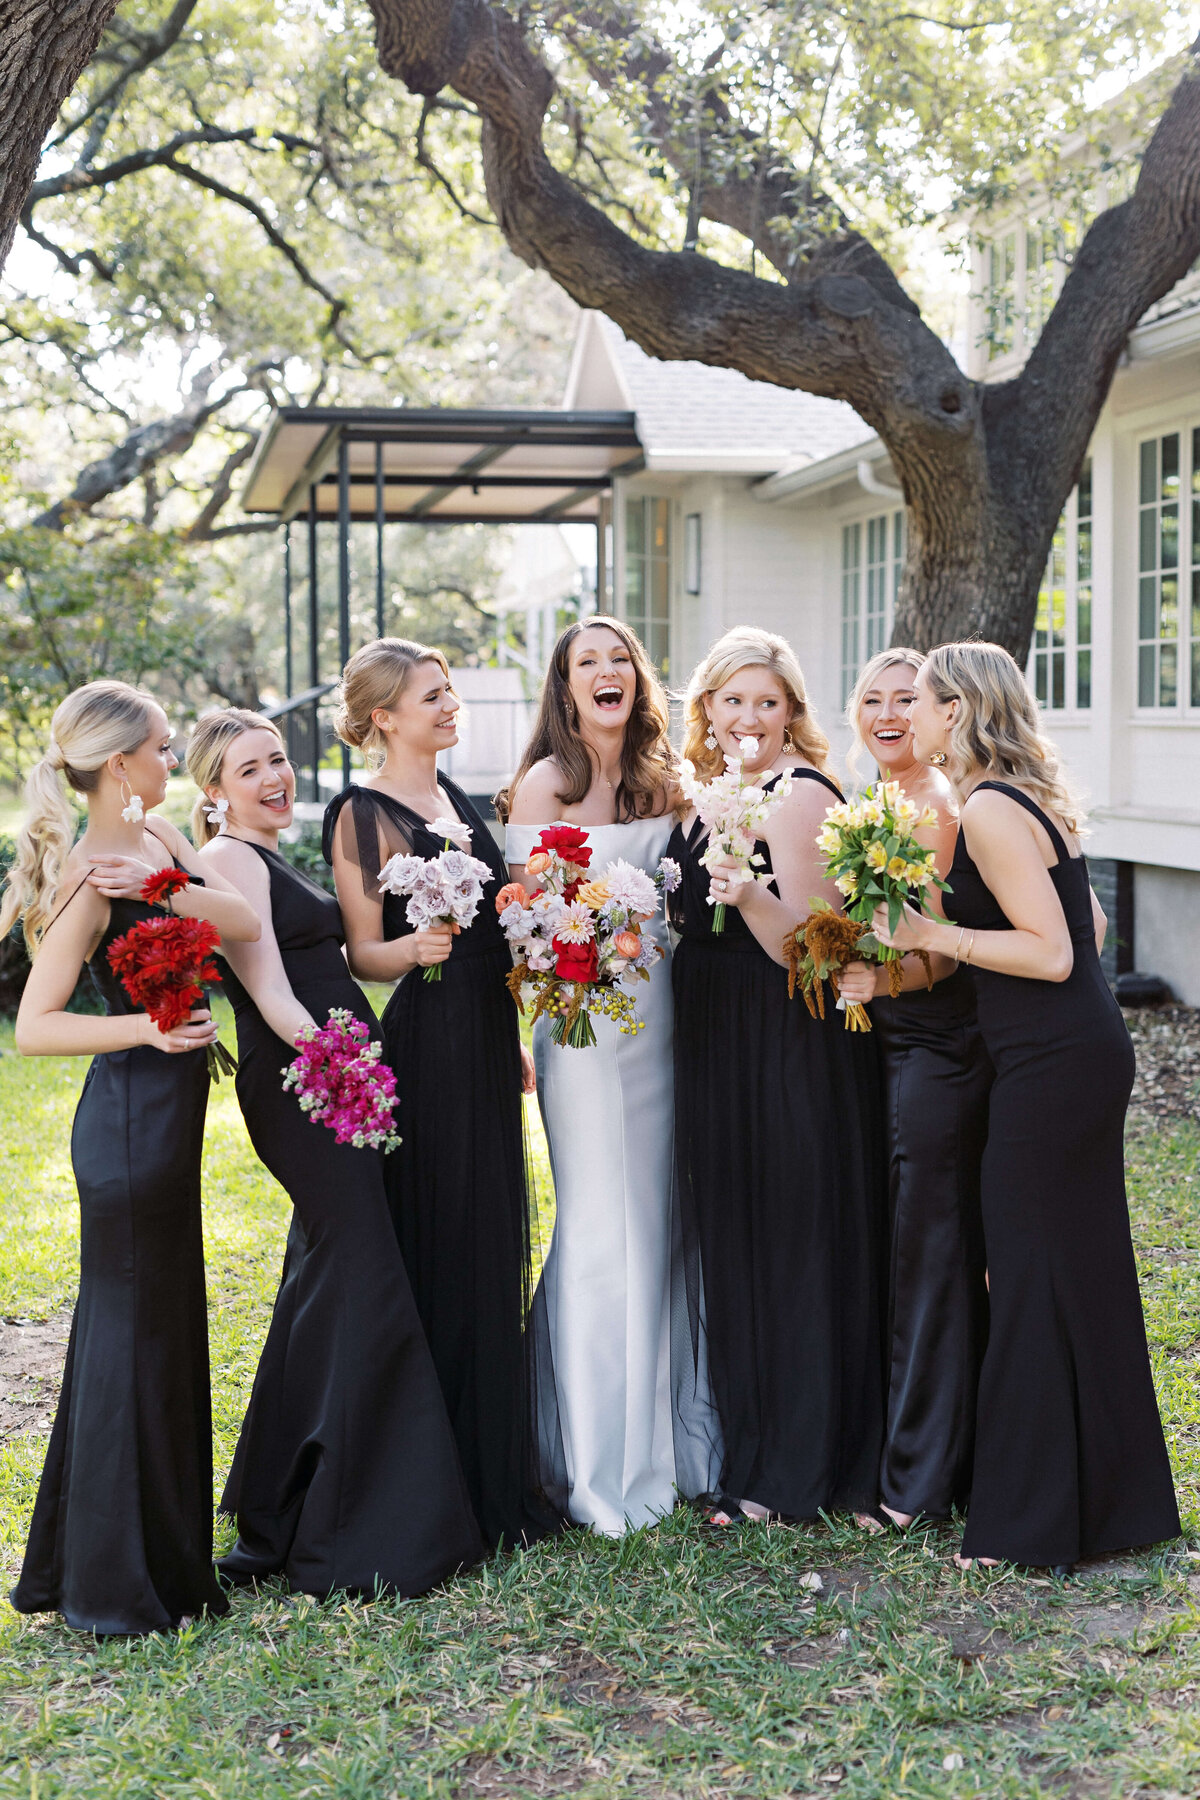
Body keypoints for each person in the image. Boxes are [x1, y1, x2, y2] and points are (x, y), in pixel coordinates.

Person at [874, 642, 1180, 1572]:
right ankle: (1121, 1504)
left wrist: (933, 934)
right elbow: (1084, 927)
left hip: (1054, 1064)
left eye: (922, 701)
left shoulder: (991, 812)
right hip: (1071, 1053)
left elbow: (1052, 954)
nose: (911, 719)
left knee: (1031, 1269)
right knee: (1075, 1267)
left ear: (958, 712)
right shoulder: (1022, 799)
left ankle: (1029, 1525)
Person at [188, 708, 482, 1599]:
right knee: (362, 1273)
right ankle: (369, 1521)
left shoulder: (268, 856)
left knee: (324, 1276)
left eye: (278, 759)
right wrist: (347, 1076)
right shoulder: (228, 861)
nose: (275, 777)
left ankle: (276, 1511)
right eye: (251, 770)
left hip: (340, 1071)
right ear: (213, 792)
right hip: (308, 1085)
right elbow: (270, 995)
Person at [4, 680, 260, 1636]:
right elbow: (34, 1028)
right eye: (158, 746)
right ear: (119, 764)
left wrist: (160, 882)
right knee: (125, 1339)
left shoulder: (153, 845)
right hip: (125, 1128)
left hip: (171, 1124)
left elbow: (241, 918)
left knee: (161, 1330)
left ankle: (158, 1562)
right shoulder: (80, 878)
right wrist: (143, 1035)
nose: (168, 759)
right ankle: (110, 1586)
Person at [322, 639, 563, 1550]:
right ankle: (428, 1472)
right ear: (385, 716)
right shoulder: (360, 814)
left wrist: (511, 1036)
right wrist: (411, 950)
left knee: (493, 1231)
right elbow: (358, 952)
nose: (450, 705)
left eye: (450, 691)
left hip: (483, 1039)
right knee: (444, 1230)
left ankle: (491, 1464)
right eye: (433, 695)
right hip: (423, 1043)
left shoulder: (462, 800)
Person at [500, 616, 720, 1535]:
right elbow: (523, 923)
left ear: (638, 678)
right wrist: (586, 939)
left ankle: (671, 1445)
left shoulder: (669, 782)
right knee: (601, 1222)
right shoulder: (547, 783)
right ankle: (592, 1464)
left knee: (664, 1221)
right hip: (583, 1030)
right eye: (586, 661)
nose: (606, 671)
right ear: (564, 685)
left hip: (667, 1021)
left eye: (619, 658)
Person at [667, 627, 888, 1527]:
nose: (750, 717)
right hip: (717, 1042)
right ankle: (751, 1450)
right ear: (708, 711)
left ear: (792, 708)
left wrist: (747, 890)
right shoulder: (713, 797)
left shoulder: (798, 796)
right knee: (739, 1238)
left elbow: (815, 955)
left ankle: (797, 1469)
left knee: (794, 1240)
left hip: (787, 1043)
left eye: (768, 700)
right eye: (733, 701)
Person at [838, 649, 992, 1528]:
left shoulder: (938, 806)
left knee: (930, 1259)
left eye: (907, 699)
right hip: (884, 1047)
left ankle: (919, 1483)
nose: (888, 713)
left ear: (940, 711)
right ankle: (926, 1454)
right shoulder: (869, 804)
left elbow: (933, 945)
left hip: (936, 1047)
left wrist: (884, 982)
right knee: (907, 1252)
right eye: (872, 698)